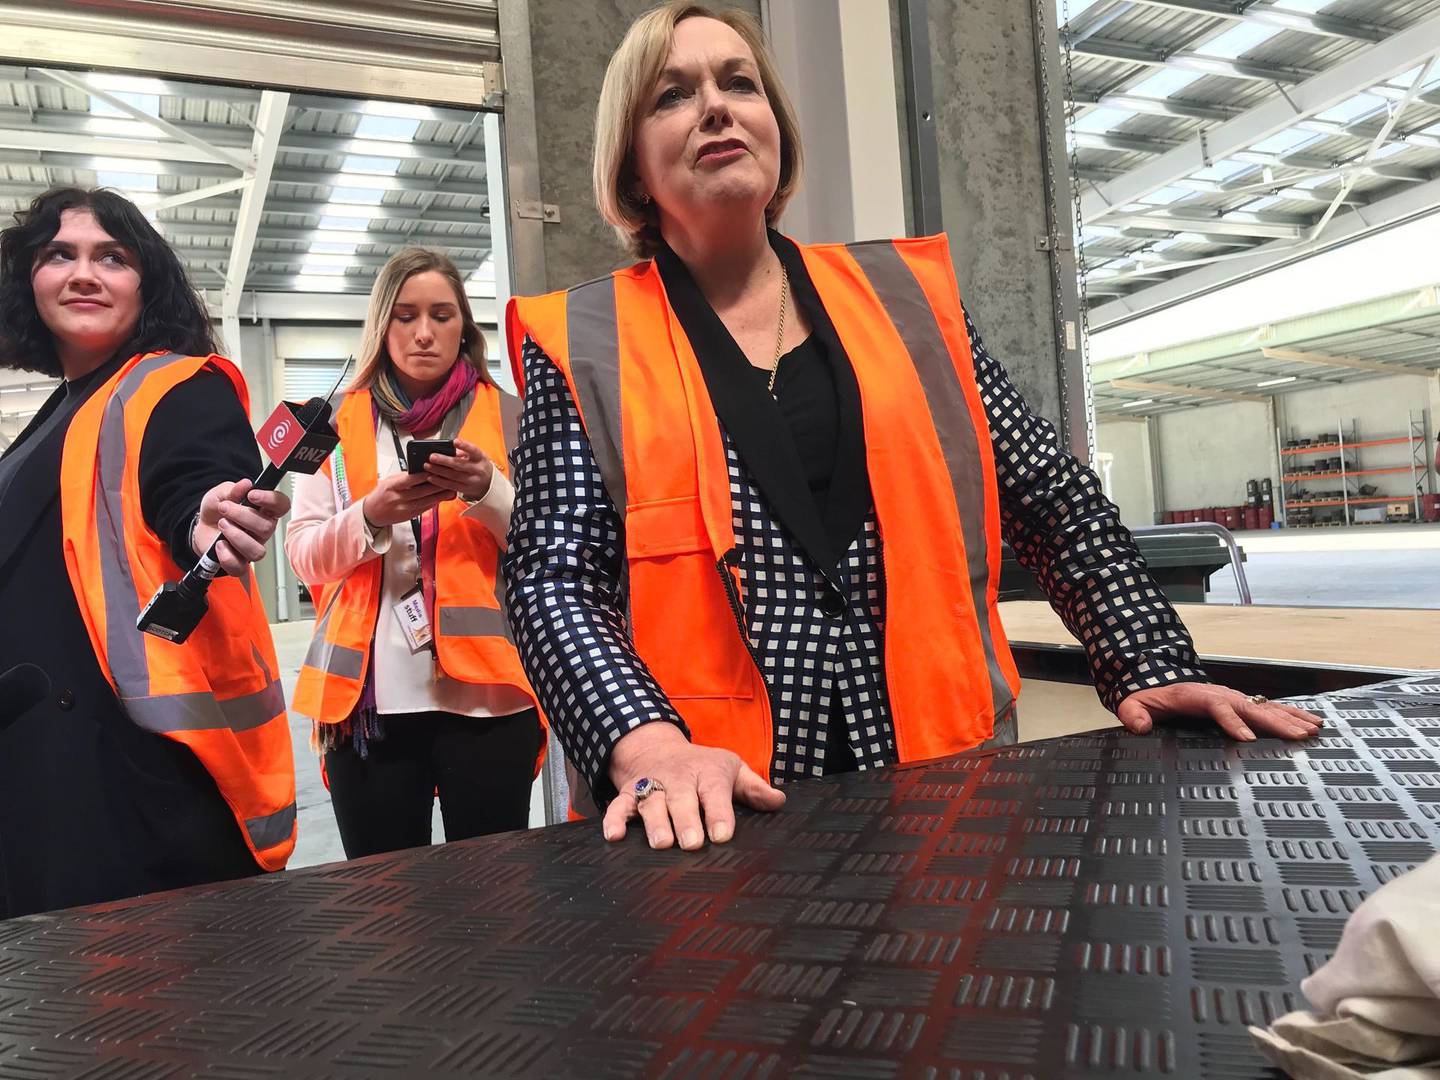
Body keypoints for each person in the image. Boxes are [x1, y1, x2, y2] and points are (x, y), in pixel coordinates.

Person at [503, 2, 1323, 852]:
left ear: (775, 128)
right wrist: (649, 744)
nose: (716, 106)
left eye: (739, 83)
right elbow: (552, 579)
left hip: (945, 784)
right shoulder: (589, 340)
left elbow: (1049, 495)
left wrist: (1150, 659)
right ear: (632, 168)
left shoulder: (905, 303)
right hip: (712, 809)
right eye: (671, 95)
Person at [0, 187, 295, 917]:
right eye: (57, 256)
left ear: (147, 280)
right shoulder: (63, 408)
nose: (84, 274)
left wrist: (206, 521)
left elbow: (190, 484)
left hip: (127, 774)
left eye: (113, 257)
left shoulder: (176, 385)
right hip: (44, 763)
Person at [286, 248, 543, 859]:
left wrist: (486, 490)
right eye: (404, 316)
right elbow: (303, 557)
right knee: (384, 904)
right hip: (368, 709)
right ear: (381, 324)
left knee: (492, 896)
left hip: (488, 697)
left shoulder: (514, 418)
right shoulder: (330, 428)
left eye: (442, 314)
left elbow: (550, 546)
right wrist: (371, 515)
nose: (424, 332)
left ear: (464, 328)